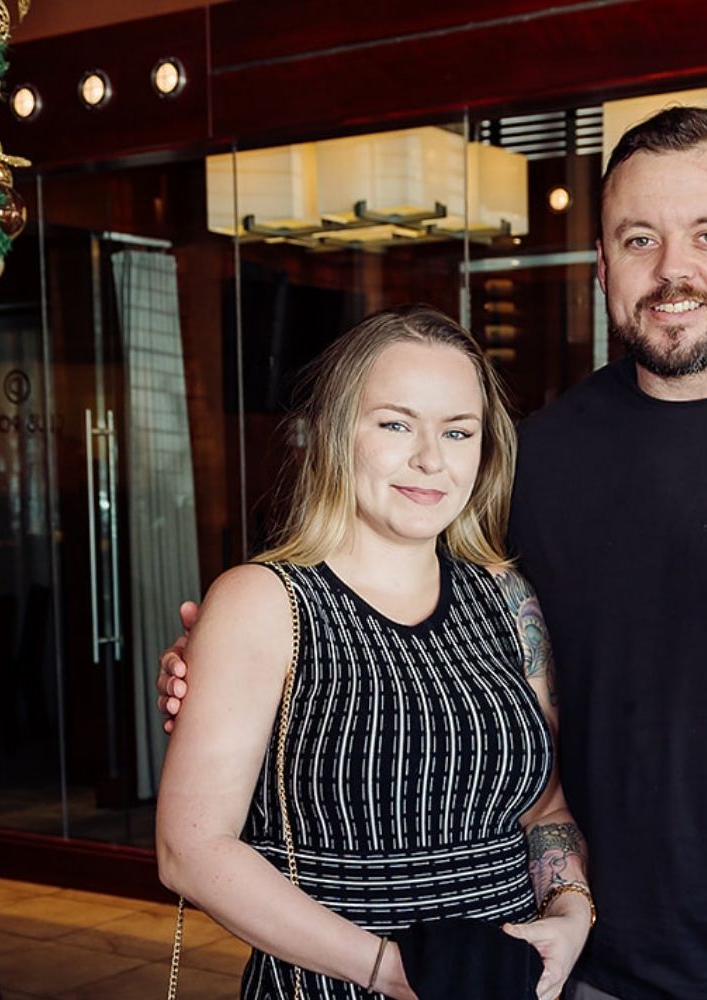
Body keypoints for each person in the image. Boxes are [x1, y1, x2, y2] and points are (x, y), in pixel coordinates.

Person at [162, 109, 707, 1000]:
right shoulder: (539, 457)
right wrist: (222, 665)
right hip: (590, 966)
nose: (672, 269)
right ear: (602, 263)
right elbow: (392, 611)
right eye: (639, 238)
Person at [155, 305, 593, 1000]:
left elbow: (545, 811)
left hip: (504, 984)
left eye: (458, 431)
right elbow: (191, 849)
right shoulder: (264, 601)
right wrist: (394, 972)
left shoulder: (509, 600)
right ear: (337, 433)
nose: (430, 459)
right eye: (395, 424)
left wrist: (570, 915)